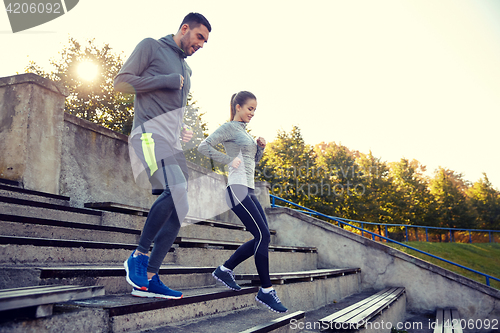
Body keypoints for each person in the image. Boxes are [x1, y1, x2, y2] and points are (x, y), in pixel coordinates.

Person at [113, 13, 211, 299]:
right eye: (199, 37)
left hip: (172, 143)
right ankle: (138, 257)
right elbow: (121, 82)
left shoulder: (187, 70)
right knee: (176, 188)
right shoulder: (151, 47)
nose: (202, 45)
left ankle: (150, 277)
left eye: (205, 41)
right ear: (184, 29)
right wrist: (164, 80)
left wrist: (183, 129)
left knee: (180, 208)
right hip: (147, 133)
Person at [197, 91, 288, 313]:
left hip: (247, 188)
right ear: (238, 107)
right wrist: (228, 160)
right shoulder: (229, 127)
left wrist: (260, 148)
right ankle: (265, 290)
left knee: (262, 236)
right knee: (263, 236)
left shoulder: (244, 132)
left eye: (255, 110)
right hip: (236, 189)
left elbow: (251, 162)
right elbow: (203, 146)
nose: (253, 113)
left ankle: (225, 269)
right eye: (250, 108)